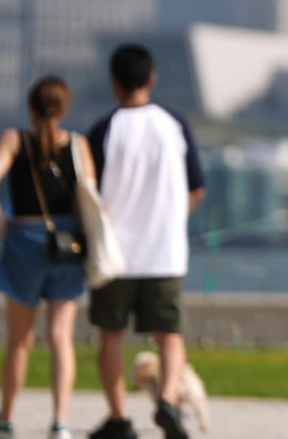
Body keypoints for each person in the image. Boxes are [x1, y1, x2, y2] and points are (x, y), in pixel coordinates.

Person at [85, 44, 206, 439]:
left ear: (114, 82)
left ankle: (119, 419)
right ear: (151, 79)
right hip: (165, 251)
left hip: (115, 254)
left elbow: (87, 191)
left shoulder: (104, 130)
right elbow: (196, 188)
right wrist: (172, 220)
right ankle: (168, 402)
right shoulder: (174, 124)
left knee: (110, 336)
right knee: (170, 336)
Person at [0, 75, 93, 439]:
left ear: (31, 107)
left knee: (20, 340)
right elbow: (91, 196)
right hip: (67, 243)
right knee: (61, 337)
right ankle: (59, 423)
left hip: (24, 239)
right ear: (64, 107)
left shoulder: (15, 139)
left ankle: (5, 420)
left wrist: (2, 222)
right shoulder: (77, 144)